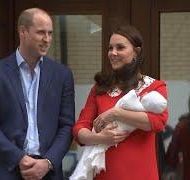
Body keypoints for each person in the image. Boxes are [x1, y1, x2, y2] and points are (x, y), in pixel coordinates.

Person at [0, 8, 75, 180]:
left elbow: (67, 126)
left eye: (50, 33)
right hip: (4, 171)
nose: (47, 39)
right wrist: (19, 158)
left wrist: (48, 162)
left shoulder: (62, 75)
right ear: (23, 32)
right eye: (41, 33)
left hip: (48, 173)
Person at [72, 25, 168, 180]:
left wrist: (116, 113)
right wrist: (100, 138)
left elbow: (158, 122)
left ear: (136, 52)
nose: (113, 53)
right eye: (110, 48)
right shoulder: (100, 88)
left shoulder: (154, 87)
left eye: (120, 47)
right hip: (105, 175)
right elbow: (79, 129)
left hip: (141, 175)